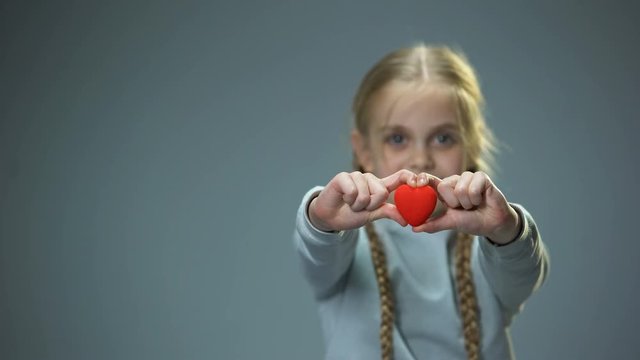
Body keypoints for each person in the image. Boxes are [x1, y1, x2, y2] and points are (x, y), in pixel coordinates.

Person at [292, 44, 549, 360]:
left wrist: (506, 229)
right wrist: (322, 221)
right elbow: (317, 257)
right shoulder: (344, 243)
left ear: (472, 145)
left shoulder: (490, 247)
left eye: (443, 138)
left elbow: (524, 274)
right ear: (364, 151)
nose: (420, 159)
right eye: (397, 138)